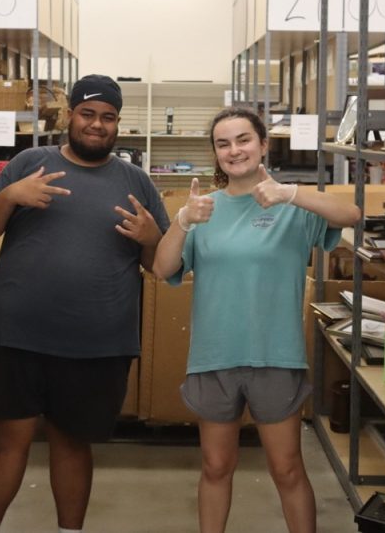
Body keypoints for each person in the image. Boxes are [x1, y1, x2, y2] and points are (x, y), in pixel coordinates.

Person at [0, 74, 170, 533]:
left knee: (74, 444)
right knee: (6, 441)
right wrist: (11, 195)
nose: (97, 125)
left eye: (108, 117)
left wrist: (151, 237)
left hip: (97, 343)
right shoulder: (29, 163)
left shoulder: (136, 181)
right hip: (17, 336)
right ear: (70, 116)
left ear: (118, 124)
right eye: (88, 114)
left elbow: (160, 265)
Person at [152, 107, 361, 533]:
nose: (234, 150)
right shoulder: (203, 210)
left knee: (286, 469)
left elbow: (351, 215)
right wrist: (182, 221)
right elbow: (162, 267)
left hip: (275, 355)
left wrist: (291, 193)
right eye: (223, 143)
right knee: (215, 466)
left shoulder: (293, 207)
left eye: (244, 139)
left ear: (263, 144)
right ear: (215, 153)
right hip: (214, 356)